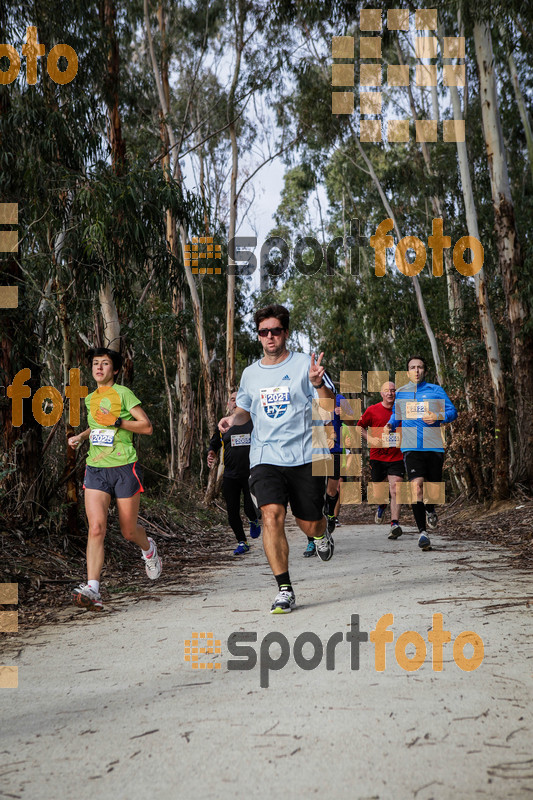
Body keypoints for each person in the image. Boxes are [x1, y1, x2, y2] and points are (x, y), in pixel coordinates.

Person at [218, 304, 335, 613]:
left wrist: (318, 384)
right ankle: (284, 588)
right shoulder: (251, 373)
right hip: (265, 456)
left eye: (275, 331)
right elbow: (244, 408)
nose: (269, 337)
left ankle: (322, 534)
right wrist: (233, 419)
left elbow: (327, 408)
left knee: (308, 524)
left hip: (305, 455)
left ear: (286, 333)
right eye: (263, 332)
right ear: (259, 336)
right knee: (271, 515)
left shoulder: (305, 365)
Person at [68, 348, 161, 610]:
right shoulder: (90, 398)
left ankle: (149, 549)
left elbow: (146, 426)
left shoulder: (123, 394)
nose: (99, 368)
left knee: (129, 531)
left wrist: (119, 421)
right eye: (96, 364)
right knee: (96, 527)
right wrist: (82, 437)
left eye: (105, 364)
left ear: (115, 370)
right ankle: (93, 588)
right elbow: (98, 425)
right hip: (96, 468)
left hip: (124, 468)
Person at [386, 356, 458, 551]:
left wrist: (438, 415)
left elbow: (453, 412)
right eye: (412, 367)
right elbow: (396, 414)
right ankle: (422, 533)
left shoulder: (435, 390)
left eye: (420, 367)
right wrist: (390, 424)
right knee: (416, 487)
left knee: (432, 489)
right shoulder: (401, 393)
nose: (416, 370)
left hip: (434, 446)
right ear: (407, 372)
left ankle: (430, 509)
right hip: (411, 447)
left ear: (425, 370)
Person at [207, 390, 261, 555]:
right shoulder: (224, 424)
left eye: (239, 399)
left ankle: (254, 520)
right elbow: (215, 443)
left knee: (250, 508)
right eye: (232, 399)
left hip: (251, 472)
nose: (235, 402)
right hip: (230, 474)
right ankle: (242, 542)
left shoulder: (253, 421)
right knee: (232, 511)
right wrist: (211, 454)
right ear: (228, 403)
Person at [304, 393, 353, 557]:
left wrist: (345, 415)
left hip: (334, 450)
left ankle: (330, 514)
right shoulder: (304, 397)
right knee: (312, 496)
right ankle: (312, 541)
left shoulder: (339, 399)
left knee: (332, 490)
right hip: (312, 453)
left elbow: (353, 422)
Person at [357, 382, 405, 540]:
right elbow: (359, 427)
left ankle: (394, 524)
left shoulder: (401, 410)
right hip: (377, 456)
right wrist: (370, 438)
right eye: (387, 391)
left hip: (397, 456)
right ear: (381, 394)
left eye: (393, 390)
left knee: (395, 488)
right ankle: (382, 504)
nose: (390, 393)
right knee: (380, 489)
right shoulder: (372, 410)